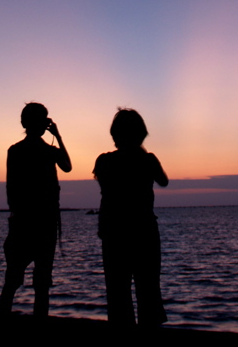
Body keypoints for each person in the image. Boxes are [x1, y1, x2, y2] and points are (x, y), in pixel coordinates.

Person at [93, 108, 169, 327]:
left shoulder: (104, 161)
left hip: (113, 232)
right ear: (141, 134)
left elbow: (104, 183)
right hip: (143, 230)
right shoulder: (148, 160)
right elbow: (163, 181)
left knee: (117, 291)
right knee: (148, 288)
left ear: (115, 134)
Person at [0, 102, 72, 317]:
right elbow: (67, 165)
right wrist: (58, 136)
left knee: (16, 280)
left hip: (27, 222)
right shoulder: (45, 151)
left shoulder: (18, 150)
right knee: (38, 283)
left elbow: (10, 189)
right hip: (40, 223)